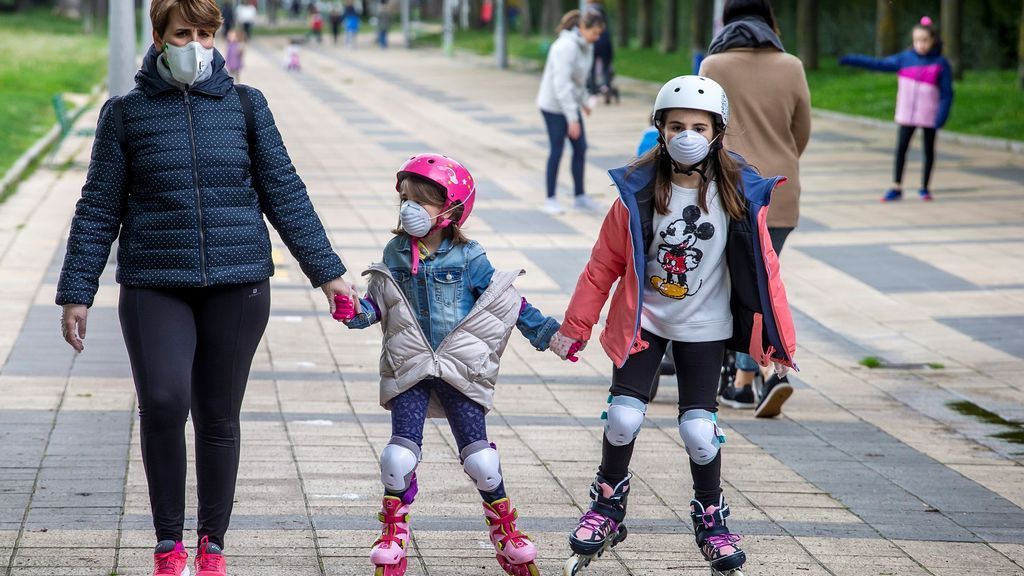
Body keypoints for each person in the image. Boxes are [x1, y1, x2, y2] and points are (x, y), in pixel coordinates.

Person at [55, 1, 356, 575]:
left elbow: (284, 192)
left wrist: (328, 273)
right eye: (183, 33)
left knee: (219, 416)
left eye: (205, 33)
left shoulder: (246, 105)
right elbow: (97, 209)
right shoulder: (126, 114)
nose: (196, 43)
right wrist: (78, 289)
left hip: (238, 282)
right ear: (160, 38)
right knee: (165, 403)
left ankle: (211, 546)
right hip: (154, 281)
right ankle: (169, 545)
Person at [548, 76, 797, 576]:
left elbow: (766, 271)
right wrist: (576, 327)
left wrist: (776, 342)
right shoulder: (637, 192)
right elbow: (603, 266)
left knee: (699, 431)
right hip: (647, 321)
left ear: (717, 133)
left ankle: (712, 518)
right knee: (622, 418)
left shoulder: (739, 195)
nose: (688, 135)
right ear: (660, 129)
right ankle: (606, 507)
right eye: (677, 125)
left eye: (699, 127)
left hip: (706, 326)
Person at [341, 154, 561, 576]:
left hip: (459, 368)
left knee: (481, 460)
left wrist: (550, 334)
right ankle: (393, 529)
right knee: (397, 457)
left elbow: (505, 300)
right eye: (404, 198)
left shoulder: (469, 255)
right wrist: (353, 308)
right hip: (411, 366)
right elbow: (378, 305)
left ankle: (505, 529)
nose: (408, 209)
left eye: (420, 201)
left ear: (451, 209)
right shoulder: (395, 252)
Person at [699, 0, 810, 417]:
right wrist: (778, 161)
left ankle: (744, 380)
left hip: (727, 188)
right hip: (781, 190)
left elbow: (698, 123)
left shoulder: (714, 66)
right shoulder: (793, 66)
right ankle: (759, 375)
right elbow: (801, 131)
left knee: (731, 285)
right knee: (763, 281)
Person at [840, 16, 953, 203]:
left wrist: (941, 116)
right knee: (901, 149)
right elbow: (878, 64)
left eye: (925, 40)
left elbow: (947, 93)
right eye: (917, 40)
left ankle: (925, 188)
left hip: (929, 115)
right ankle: (896, 186)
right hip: (907, 114)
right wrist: (852, 60)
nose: (921, 44)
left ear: (933, 40)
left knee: (929, 151)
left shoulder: (941, 64)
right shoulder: (904, 59)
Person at [536, 9, 606, 215]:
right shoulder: (565, 47)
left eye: (600, 33)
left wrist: (584, 101)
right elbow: (562, 85)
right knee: (557, 149)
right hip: (553, 105)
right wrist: (572, 119)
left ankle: (579, 196)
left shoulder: (587, 46)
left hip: (569, 104)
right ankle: (550, 199)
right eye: (595, 32)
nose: (597, 37)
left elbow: (578, 81)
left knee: (580, 147)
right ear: (582, 28)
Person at [586, 0, 618, 104]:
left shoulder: (589, 13)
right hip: (605, 43)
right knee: (605, 67)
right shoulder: (603, 12)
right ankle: (605, 87)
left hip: (593, 43)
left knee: (591, 68)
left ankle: (593, 91)